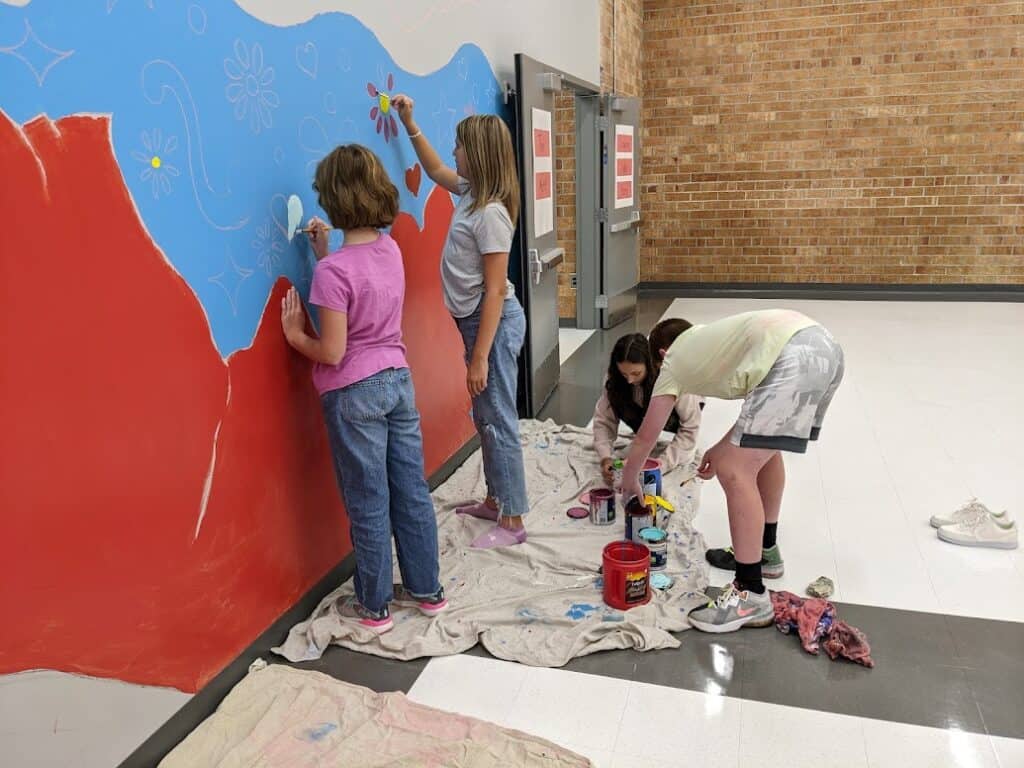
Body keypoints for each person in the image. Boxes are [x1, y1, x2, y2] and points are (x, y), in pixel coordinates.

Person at [280, 144, 446, 634]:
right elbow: (365, 295)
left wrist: (295, 336)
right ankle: (427, 591)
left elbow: (332, 351)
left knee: (369, 500)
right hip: (398, 381)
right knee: (411, 490)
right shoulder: (389, 249)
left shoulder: (333, 273)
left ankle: (374, 608)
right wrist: (322, 255)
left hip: (354, 394)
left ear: (331, 200)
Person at [621, 310, 844, 633]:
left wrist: (629, 478)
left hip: (792, 358)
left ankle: (750, 593)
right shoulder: (715, 340)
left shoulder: (673, 361)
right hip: (823, 347)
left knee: (733, 469)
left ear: (661, 354)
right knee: (765, 453)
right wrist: (720, 447)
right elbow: (754, 419)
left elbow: (647, 436)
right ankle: (766, 552)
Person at [391, 93, 530, 549]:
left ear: (480, 155)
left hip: (492, 324)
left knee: (499, 418)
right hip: (476, 324)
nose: (454, 153)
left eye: (460, 146)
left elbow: (494, 290)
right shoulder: (472, 195)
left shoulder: (491, 215)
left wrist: (480, 358)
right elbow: (434, 171)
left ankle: (513, 520)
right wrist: (410, 123)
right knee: (486, 416)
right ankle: (497, 498)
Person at [593, 333, 702, 486]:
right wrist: (605, 457)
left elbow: (691, 427)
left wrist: (661, 464)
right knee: (617, 392)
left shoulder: (672, 376)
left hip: (674, 417)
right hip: (642, 419)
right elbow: (604, 420)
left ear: (649, 364)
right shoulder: (615, 379)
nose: (630, 380)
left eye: (636, 373)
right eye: (624, 374)